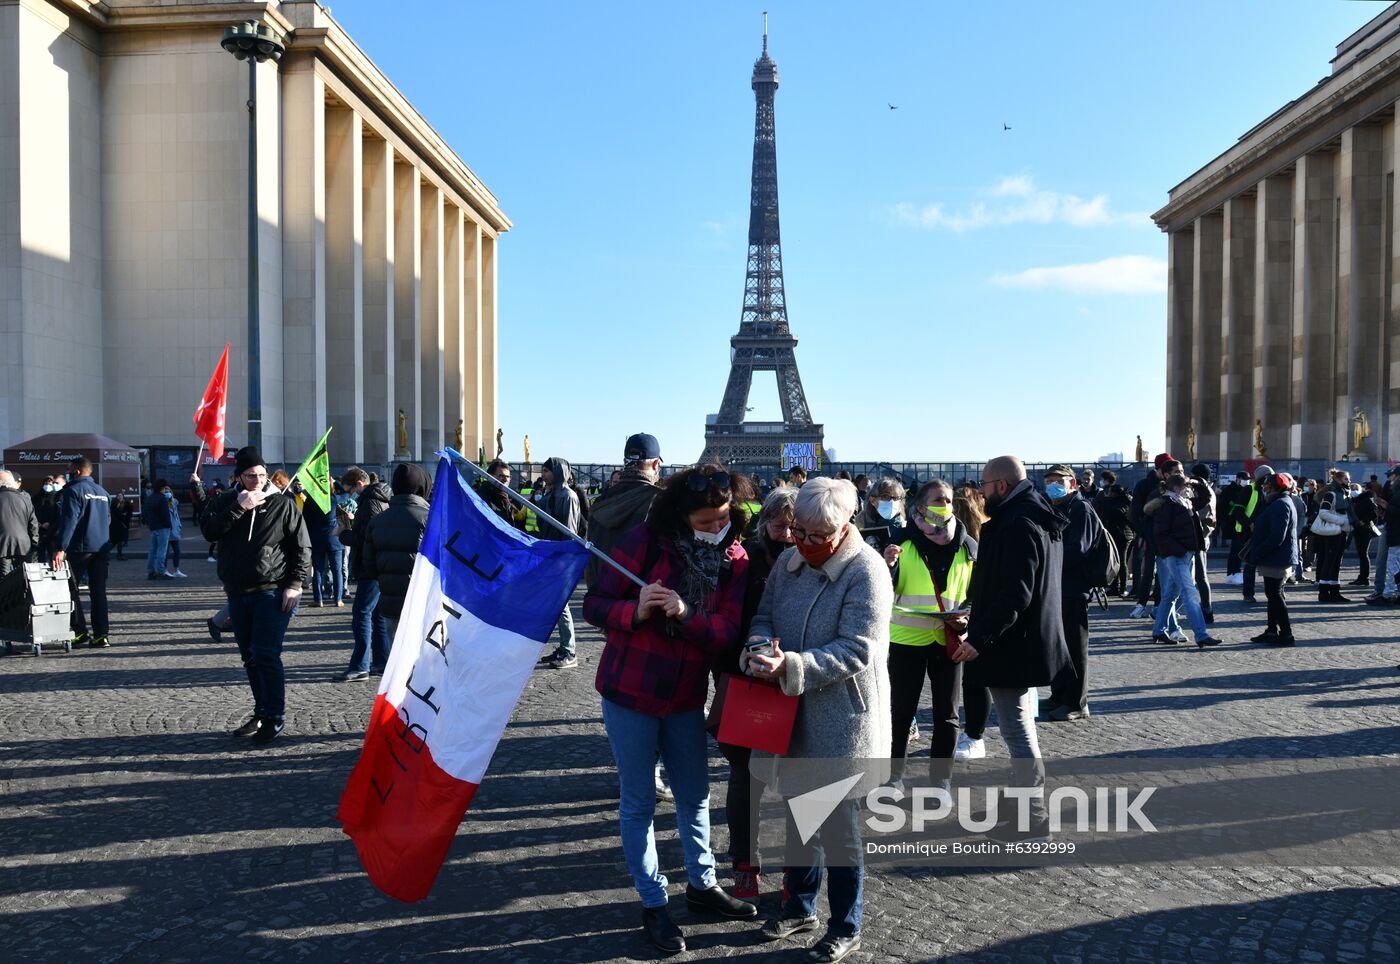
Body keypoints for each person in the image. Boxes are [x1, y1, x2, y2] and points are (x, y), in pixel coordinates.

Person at [582, 464, 757, 955]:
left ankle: (702, 886)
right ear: (682, 516)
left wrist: (686, 613)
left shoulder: (736, 558)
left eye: (721, 518)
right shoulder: (645, 541)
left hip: (684, 696)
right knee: (638, 803)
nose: (714, 527)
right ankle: (653, 902)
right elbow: (593, 604)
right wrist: (634, 610)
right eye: (704, 521)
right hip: (630, 692)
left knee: (695, 796)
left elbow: (726, 631)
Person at [745, 478, 890, 964]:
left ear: (845, 526)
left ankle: (845, 924)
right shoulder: (789, 561)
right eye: (796, 531)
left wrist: (792, 666)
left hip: (840, 717)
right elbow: (763, 616)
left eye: (813, 536)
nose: (800, 543)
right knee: (795, 817)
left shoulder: (867, 570)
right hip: (791, 710)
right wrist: (759, 648)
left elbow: (859, 648)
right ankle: (799, 905)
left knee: (838, 829)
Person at [962, 456, 1069, 841]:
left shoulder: (1018, 523)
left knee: (1017, 730)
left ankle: (1033, 816)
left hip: (1012, 645)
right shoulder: (1036, 516)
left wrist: (978, 638)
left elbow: (1015, 594)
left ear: (1002, 487)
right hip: (1026, 640)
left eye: (984, 486)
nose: (980, 493)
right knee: (1019, 726)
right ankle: (1019, 805)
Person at [200, 447, 311, 744]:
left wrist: (295, 584)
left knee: (266, 653)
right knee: (249, 657)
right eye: (251, 476)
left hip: (271, 591)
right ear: (238, 476)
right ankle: (262, 711)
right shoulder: (225, 500)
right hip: (237, 592)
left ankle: (275, 716)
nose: (258, 481)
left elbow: (301, 546)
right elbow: (210, 531)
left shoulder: (282, 504)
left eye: (262, 475)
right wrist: (239, 507)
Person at [722, 483, 797, 901]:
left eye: (794, 526)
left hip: (794, 679)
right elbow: (729, 621)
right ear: (764, 520)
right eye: (779, 525)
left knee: (795, 779)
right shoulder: (744, 563)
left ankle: (793, 865)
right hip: (749, 679)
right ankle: (745, 862)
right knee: (745, 776)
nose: (787, 535)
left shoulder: (810, 561)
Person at [883, 479, 975, 792]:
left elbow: (976, 595)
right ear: (920, 507)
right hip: (906, 641)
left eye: (948, 500)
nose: (945, 505)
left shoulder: (968, 546)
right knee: (900, 715)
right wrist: (887, 567)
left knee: (947, 717)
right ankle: (893, 778)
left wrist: (967, 620)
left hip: (949, 641)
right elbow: (883, 591)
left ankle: (941, 782)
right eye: (938, 500)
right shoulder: (899, 542)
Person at [1040, 464, 1102, 721]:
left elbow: (1078, 549)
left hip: (1074, 589)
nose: (1053, 485)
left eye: (1059, 480)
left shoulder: (1081, 509)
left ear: (1072, 484)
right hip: (1057, 586)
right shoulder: (1055, 507)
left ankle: (1077, 702)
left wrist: (1047, 554)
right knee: (1059, 644)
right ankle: (1060, 693)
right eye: (1049, 480)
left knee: (1075, 648)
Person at [359, 463, 432, 644]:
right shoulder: (431, 519)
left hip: (391, 602)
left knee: (398, 654)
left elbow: (369, 566)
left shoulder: (378, 521)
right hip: (424, 602)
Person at [1151, 474, 1224, 648]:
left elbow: (1206, 497)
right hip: (1177, 556)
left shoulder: (1185, 503)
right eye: (1186, 487)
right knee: (1189, 594)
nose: (1189, 490)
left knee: (1170, 595)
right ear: (1177, 489)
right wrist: (1180, 550)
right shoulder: (1167, 505)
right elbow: (1161, 535)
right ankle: (1201, 634)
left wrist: (1197, 482)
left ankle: (1159, 630)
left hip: (1186, 554)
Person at [337, 466, 393, 681]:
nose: (349, 494)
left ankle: (360, 665)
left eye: (350, 490)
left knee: (361, 614)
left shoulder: (369, 502)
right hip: (380, 565)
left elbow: (365, 539)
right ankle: (382, 661)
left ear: (360, 484)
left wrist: (343, 532)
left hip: (371, 566)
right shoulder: (382, 498)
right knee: (378, 615)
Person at [53, 457, 113, 648]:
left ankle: (79, 631)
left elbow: (69, 521)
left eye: (70, 469)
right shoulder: (103, 493)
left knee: (69, 589)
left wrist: (60, 547)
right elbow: (108, 521)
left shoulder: (73, 490)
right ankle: (101, 635)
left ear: (77, 471)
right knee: (98, 592)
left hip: (80, 548)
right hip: (101, 547)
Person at [535, 456, 585, 669]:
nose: (543, 474)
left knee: (561, 605)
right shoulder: (550, 495)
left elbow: (569, 530)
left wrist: (563, 559)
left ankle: (569, 650)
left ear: (557, 472)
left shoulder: (568, 496)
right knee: (555, 604)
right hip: (550, 555)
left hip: (560, 557)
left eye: (546, 471)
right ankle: (564, 647)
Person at [1248, 472, 1300, 645]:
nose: (1263, 488)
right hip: (1275, 556)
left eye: (1266, 486)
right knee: (1273, 594)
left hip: (1277, 557)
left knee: (1275, 594)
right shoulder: (1280, 502)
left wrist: (1259, 552)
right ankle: (1272, 630)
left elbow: (1277, 535)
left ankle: (1286, 633)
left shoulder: (1280, 504)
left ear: (1273, 487)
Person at [1128, 455, 1172, 617]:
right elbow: (1135, 512)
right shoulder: (1144, 485)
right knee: (1147, 571)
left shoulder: (1171, 485)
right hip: (1148, 534)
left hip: (1164, 536)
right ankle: (1141, 603)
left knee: (1163, 574)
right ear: (1159, 469)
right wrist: (1142, 532)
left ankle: (1158, 605)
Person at [1312, 472, 1353, 602]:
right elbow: (1323, 512)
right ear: (1338, 480)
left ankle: (1335, 591)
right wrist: (1341, 521)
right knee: (1329, 561)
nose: (1349, 481)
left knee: (1336, 563)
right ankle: (1323, 592)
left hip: (1340, 532)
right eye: (1346, 478)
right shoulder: (1331, 494)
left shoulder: (1345, 494)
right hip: (1332, 533)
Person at [1092, 472, 1132, 597]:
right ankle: (1115, 586)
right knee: (1115, 559)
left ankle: (1121, 587)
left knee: (1120, 560)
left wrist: (1105, 502)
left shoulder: (1119, 498)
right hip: (1117, 532)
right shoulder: (1121, 497)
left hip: (1121, 533)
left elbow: (1117, 512)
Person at [1187, 464, 1218, 622]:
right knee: (1201, 576)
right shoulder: (1210, 490)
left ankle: (1206, 610)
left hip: (1196, 535)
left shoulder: (1199, 490)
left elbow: (1198, 514)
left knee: (1198, 576)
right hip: (1204, 535)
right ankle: (1207, 609)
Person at [303, 486, 342, 607]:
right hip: (333, 538)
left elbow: (305, 519)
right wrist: (335, 483)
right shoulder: (332, 498)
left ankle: (318, 599)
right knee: (337, 571)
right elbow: (346, 494)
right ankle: (338, 599)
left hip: (316, 537)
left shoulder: (310, 499)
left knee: (318, 571)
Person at [0, 470, 38, 579]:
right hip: (24, 546)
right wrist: (34, 545)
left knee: (4, 579)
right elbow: (33, 525)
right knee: (23, 578)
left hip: (2, 546)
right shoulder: (25, 499)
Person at [857, 478, 905, 551]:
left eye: (896, 498)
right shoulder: (860, 523)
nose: (892, 502)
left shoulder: (904, 525)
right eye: (885, 496)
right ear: (872, 500)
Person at [476, 459, 525, 530]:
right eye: (501, 476)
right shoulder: (480, 497)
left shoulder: (510, 498)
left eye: (508, 477)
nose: (505, 480)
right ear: (490, 476)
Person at [143, 478, 175, 580]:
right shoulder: (162, 499)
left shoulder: (150, 498)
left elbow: (145, 513)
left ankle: (151, 571)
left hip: (153, 527)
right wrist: (169, 525)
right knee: (162, 550)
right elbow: (165, 515)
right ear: (162, 487)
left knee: (152, 551)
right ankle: (161, 571)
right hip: (162, 528)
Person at [108, 494, 132, 562]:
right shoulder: (115, 507)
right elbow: (119, 517)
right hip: (117, 528)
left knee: (118, 542)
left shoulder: (122, 505)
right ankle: (108, 553)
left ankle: (119, 554)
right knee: (115, 542)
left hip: (118, 528)